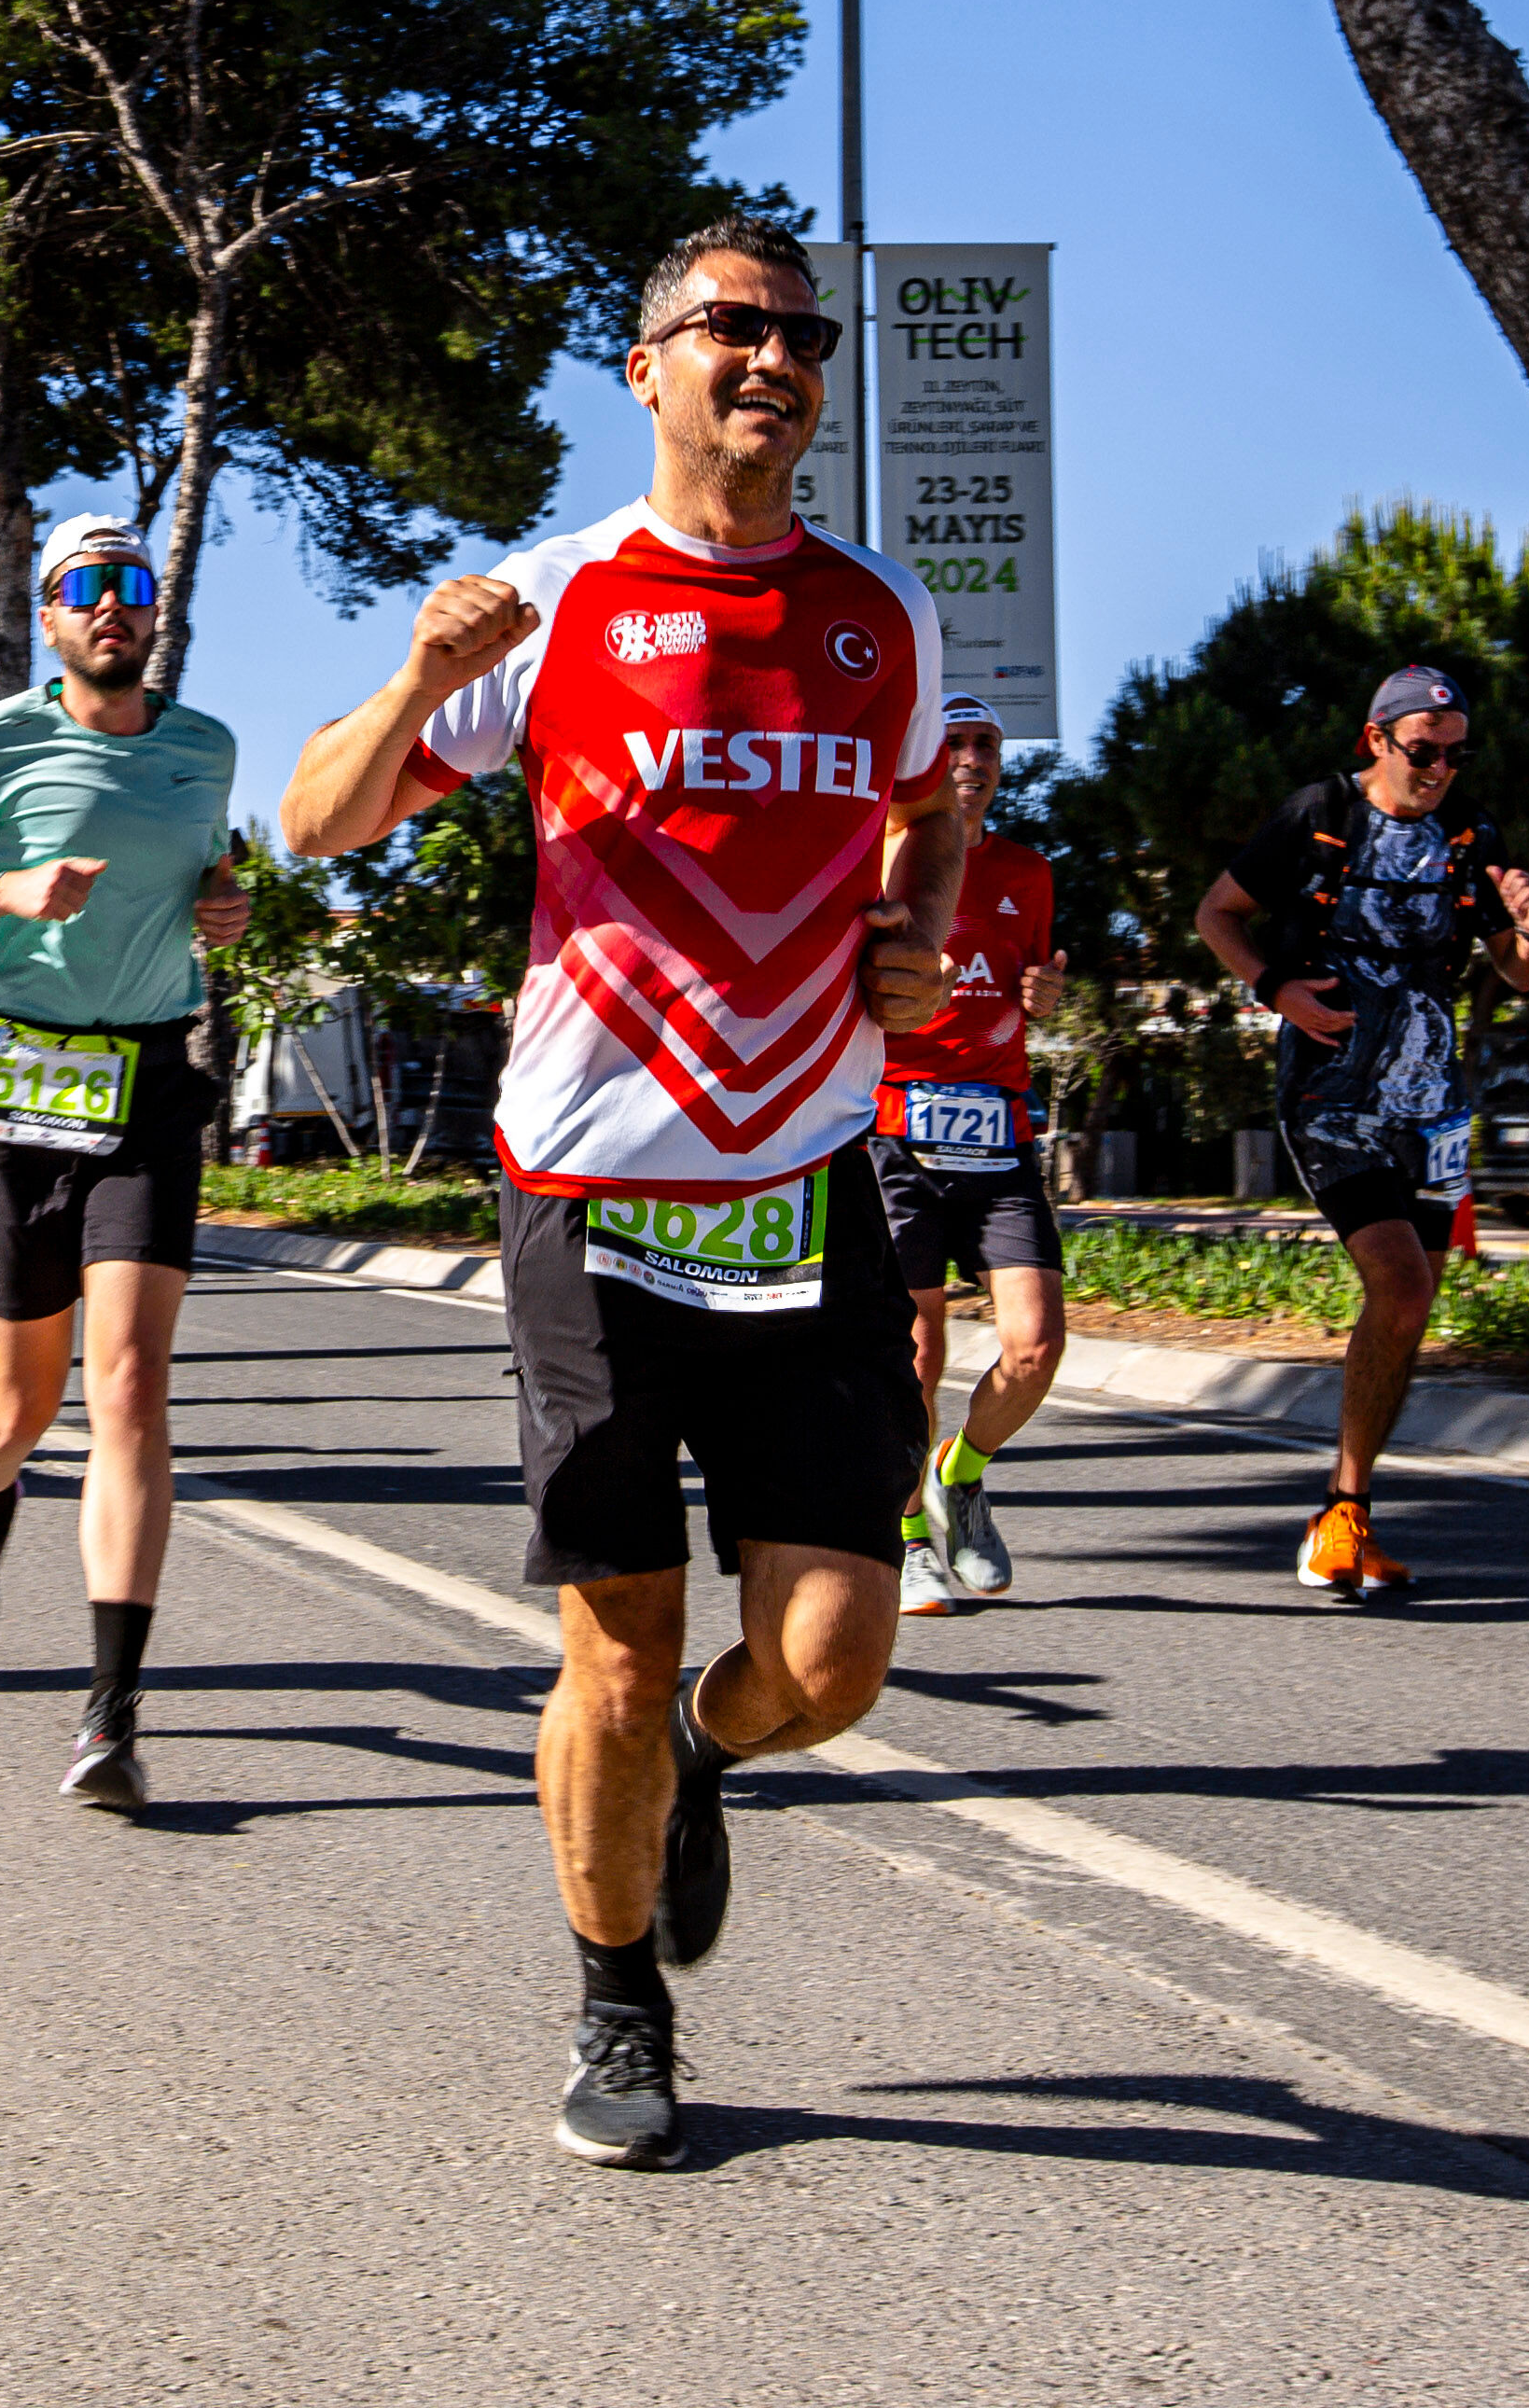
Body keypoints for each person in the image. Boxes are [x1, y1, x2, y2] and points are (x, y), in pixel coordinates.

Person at [283, 216, 963, 2172]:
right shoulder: (558, 601)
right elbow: (318, 823)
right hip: (594, 1189)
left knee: (829, 1663)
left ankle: (691, 1768)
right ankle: (616, 2002)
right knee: (618, 1639)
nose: (772, 359)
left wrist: (912, 938)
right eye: (729, 329)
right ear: (648, 368)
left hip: (810, 1188)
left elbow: (930, 808)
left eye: (797, 334)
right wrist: (419, 673)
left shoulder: (876, 613)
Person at [0, 511, 250, 1812]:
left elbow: (208, 884)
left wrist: (231, 902)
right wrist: (3, 892)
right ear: (52, 616)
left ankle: (110, 1712)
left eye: (133, 587)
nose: (115, 607)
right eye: (88, 588)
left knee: (129, 1384)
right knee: (17, 1407)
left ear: (156, 613)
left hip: (147, 1080)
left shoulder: (203, 750)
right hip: (14, 1083)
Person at [1190, 666, 1529, 1598]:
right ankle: (1342, 1516)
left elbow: (1518, 976)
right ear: (1376, 740)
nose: (1439, 769)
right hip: (1334, 1094)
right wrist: (1274, 987)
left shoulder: (1473, 839)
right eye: (1423, 750)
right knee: (1396, 1287)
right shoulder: (1318, 813)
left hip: (1430, 1099)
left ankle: (1345, 1513)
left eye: (1455, 753)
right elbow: (1217, 914)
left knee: (1414, 1303)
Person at [876, 697, 1068, 1617]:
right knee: (918, 1349)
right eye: (953, 742)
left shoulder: (1029, 873)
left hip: (998, 1130)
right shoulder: (882, 859)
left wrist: (1045, 994)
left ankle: (963, 1471)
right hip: (895, 1129)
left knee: (1035, 1346)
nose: (971, 757)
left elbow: (1031, 993)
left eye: (986, 743)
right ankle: (909, 1536)